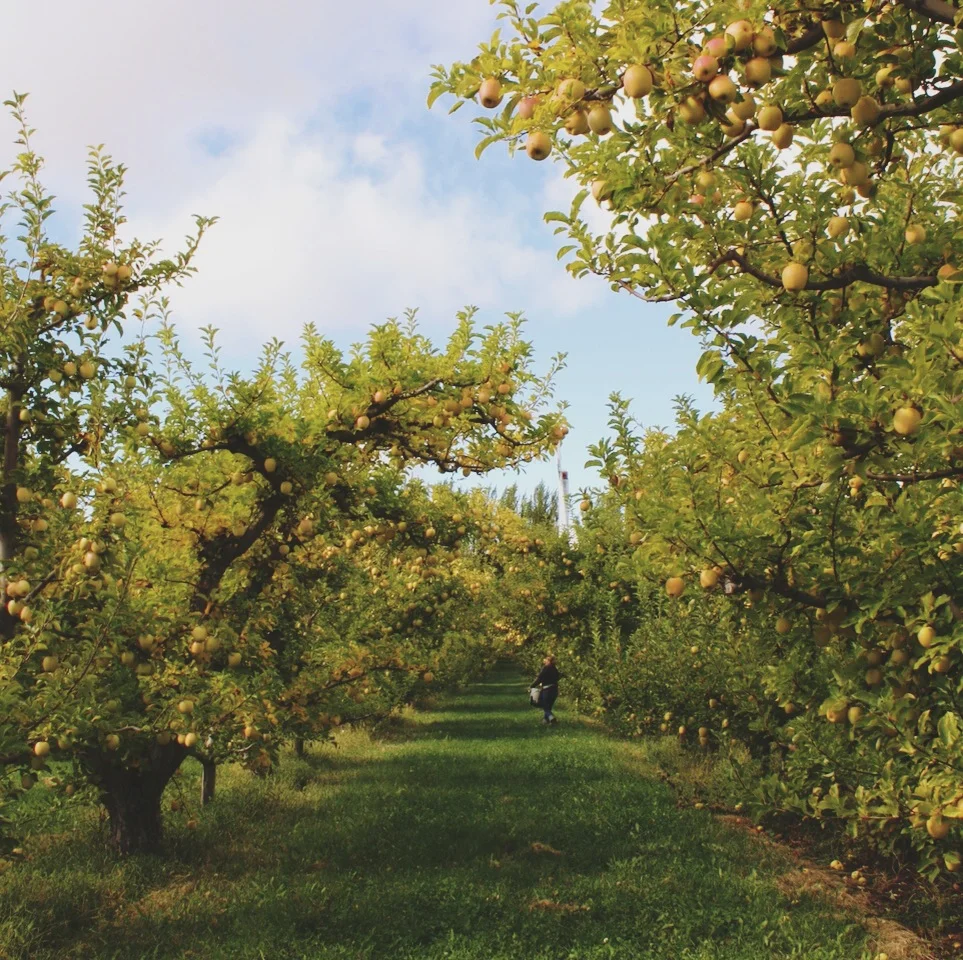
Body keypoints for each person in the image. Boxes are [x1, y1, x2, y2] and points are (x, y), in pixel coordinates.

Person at [532, 654, 560, 724]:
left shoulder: (546, 668)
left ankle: (551, 717)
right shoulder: (555, 669)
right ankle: (545, 720)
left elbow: (539, 678)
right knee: (548, 706)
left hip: (547, 690)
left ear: (548, 661)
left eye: (545, 659)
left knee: (544, 705)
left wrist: (532, 686)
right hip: (555, 690)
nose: (544, 661)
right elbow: (558, 677)